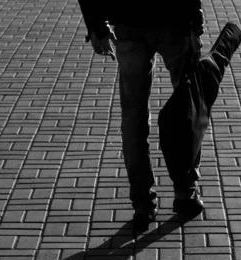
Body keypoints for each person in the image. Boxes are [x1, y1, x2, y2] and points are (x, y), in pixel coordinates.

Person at [77, 0, 205, 228]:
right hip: (174, 19)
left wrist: (97, 27)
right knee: (188, 106)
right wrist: (196, 23)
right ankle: (185, 192)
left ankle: (143, 204)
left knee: (133, 116)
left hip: (128, 22)